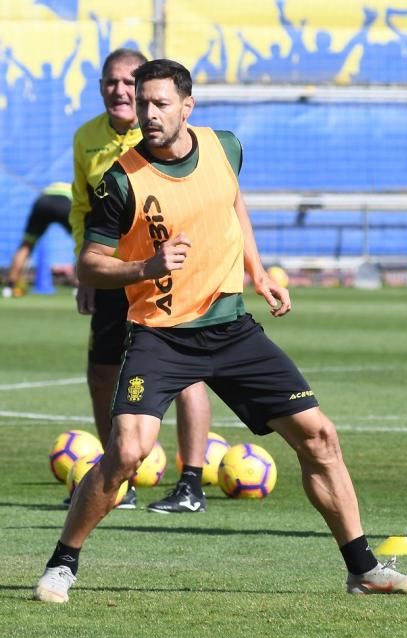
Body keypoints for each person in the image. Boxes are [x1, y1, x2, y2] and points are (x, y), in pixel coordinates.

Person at [33, 58, 407, 603]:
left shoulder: (225, 147)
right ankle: (63, 564)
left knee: (320, 437)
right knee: (128, 452)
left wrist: (258, 270)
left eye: (160, 103)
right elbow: (89, 264)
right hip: (160, 334)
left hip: (230, 328)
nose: (148, 114)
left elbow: (232, 204)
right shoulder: (119, 182)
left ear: (186, 106)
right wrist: (146, 269)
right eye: (143, 102)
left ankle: (363, 569)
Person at [69, 48, 211, 511]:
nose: (121, 90)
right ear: (102, 88)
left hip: (168, 273)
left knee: (188, 373)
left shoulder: (165, 134)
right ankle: (117, 478)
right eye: (111, 81)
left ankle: (191, 481)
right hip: (120, 272)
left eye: (130, 82)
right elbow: (82, 209)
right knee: (101, 370)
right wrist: (87, 268)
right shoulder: (86, 138)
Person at [2, 182, 72, 298]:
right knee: (83, 243)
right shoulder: (73, 187)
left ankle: (10, 287)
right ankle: (80, 286)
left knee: (26, 245)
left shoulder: (50, 189)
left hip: (42, 202)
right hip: (66, 203)